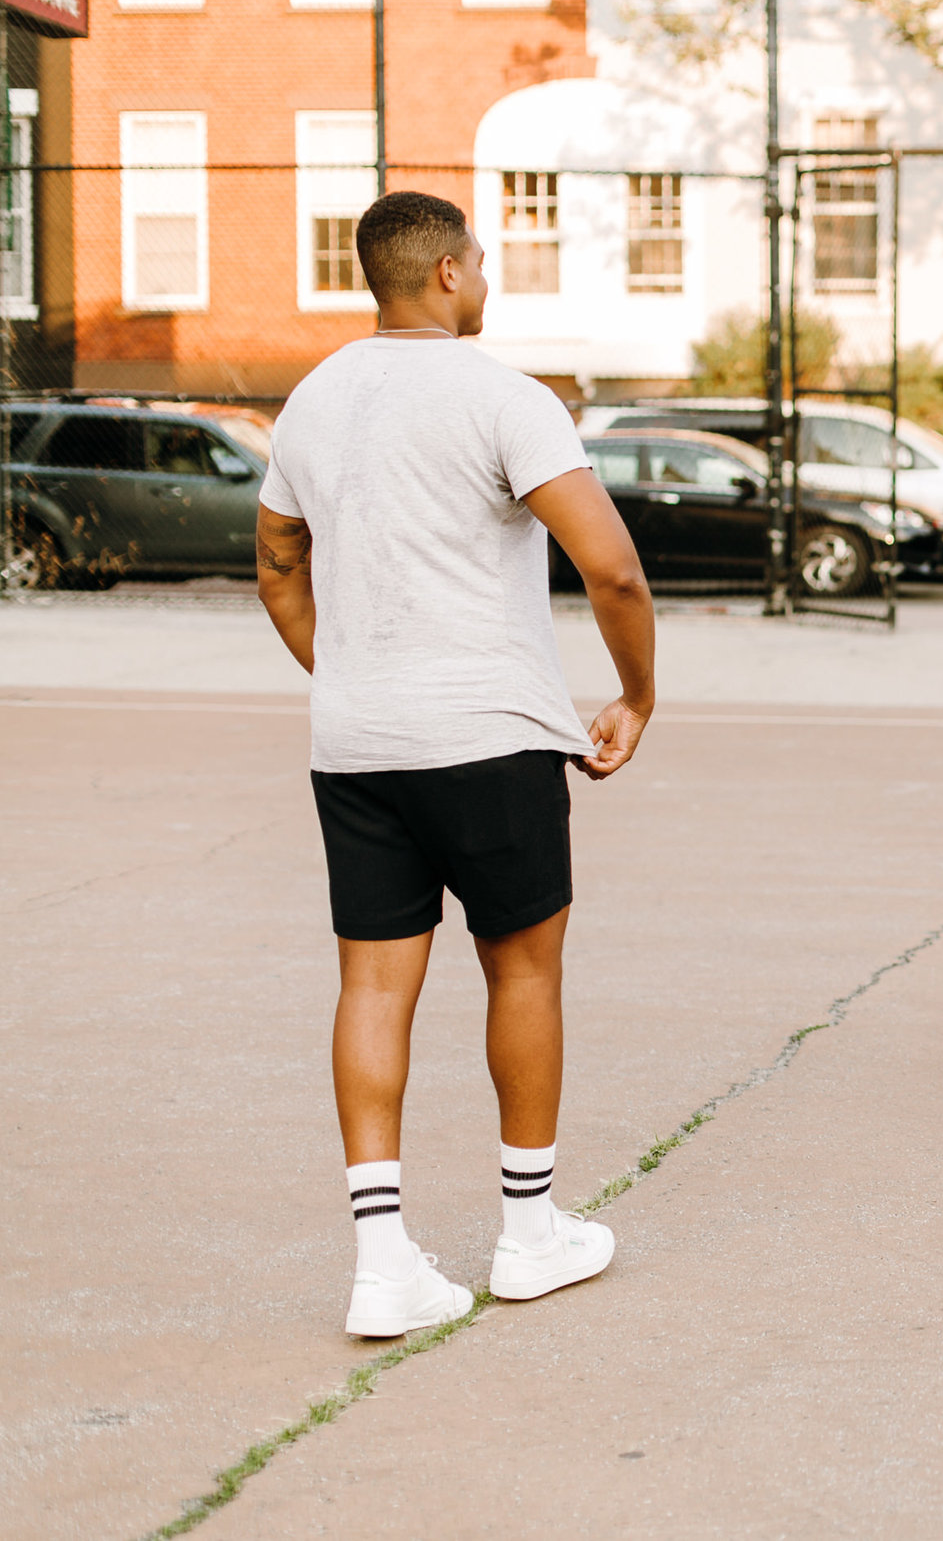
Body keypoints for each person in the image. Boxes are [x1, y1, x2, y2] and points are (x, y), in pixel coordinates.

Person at [254, 190, 657, 1337]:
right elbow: (613, 568)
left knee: (372, 983)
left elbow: (279, 562)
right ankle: (529, 1235)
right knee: (522, 969)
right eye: (479, 259)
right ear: (443, 272)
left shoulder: (313, 399)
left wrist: (345, 673)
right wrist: (635, 693)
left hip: (358, 743)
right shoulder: (504, 396)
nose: (486, 276)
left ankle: (382, 1264)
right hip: (489, 736)